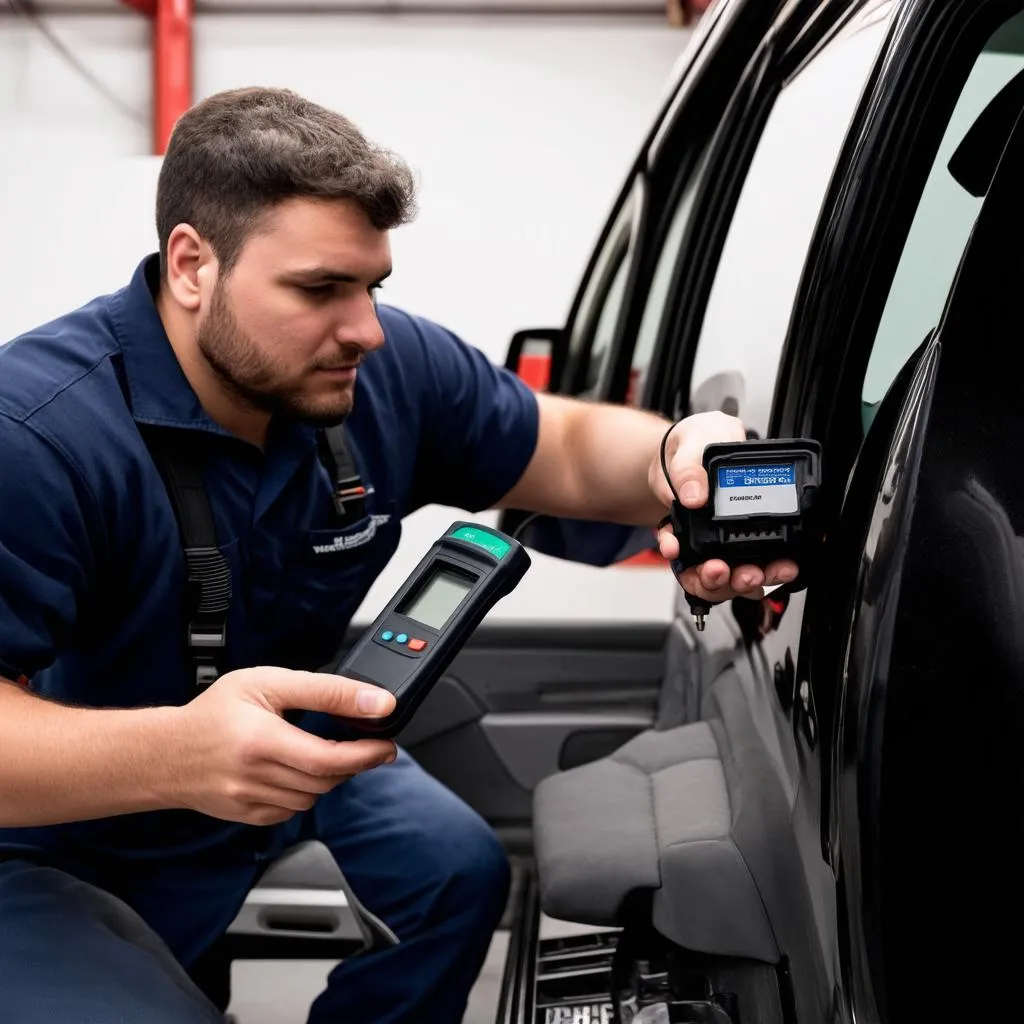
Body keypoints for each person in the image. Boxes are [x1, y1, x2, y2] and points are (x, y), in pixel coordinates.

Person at [0, 87, 797, 1023]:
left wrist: (678, 459)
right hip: (46, 830)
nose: (366, 330)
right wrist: (181, 753)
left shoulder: (378, 374)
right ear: (191, 266)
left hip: (267, 749)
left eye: (372, 286)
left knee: (456, 873)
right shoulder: (37, 435)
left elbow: (569, 451)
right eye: (320, 289)